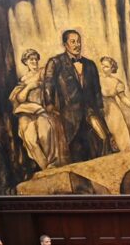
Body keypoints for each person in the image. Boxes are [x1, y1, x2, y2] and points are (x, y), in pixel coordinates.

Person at [42, 29, 113, 164]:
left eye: (78, 41)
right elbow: (48, 83)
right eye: (73, 41)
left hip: (90, 111)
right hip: (70, 114)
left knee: (103, 139)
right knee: (77, 151)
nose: (77, 45)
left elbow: (96, 89)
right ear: (65, 44)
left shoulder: (90, 64)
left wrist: (100, 108)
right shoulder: (55, 62)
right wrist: (49, 103)